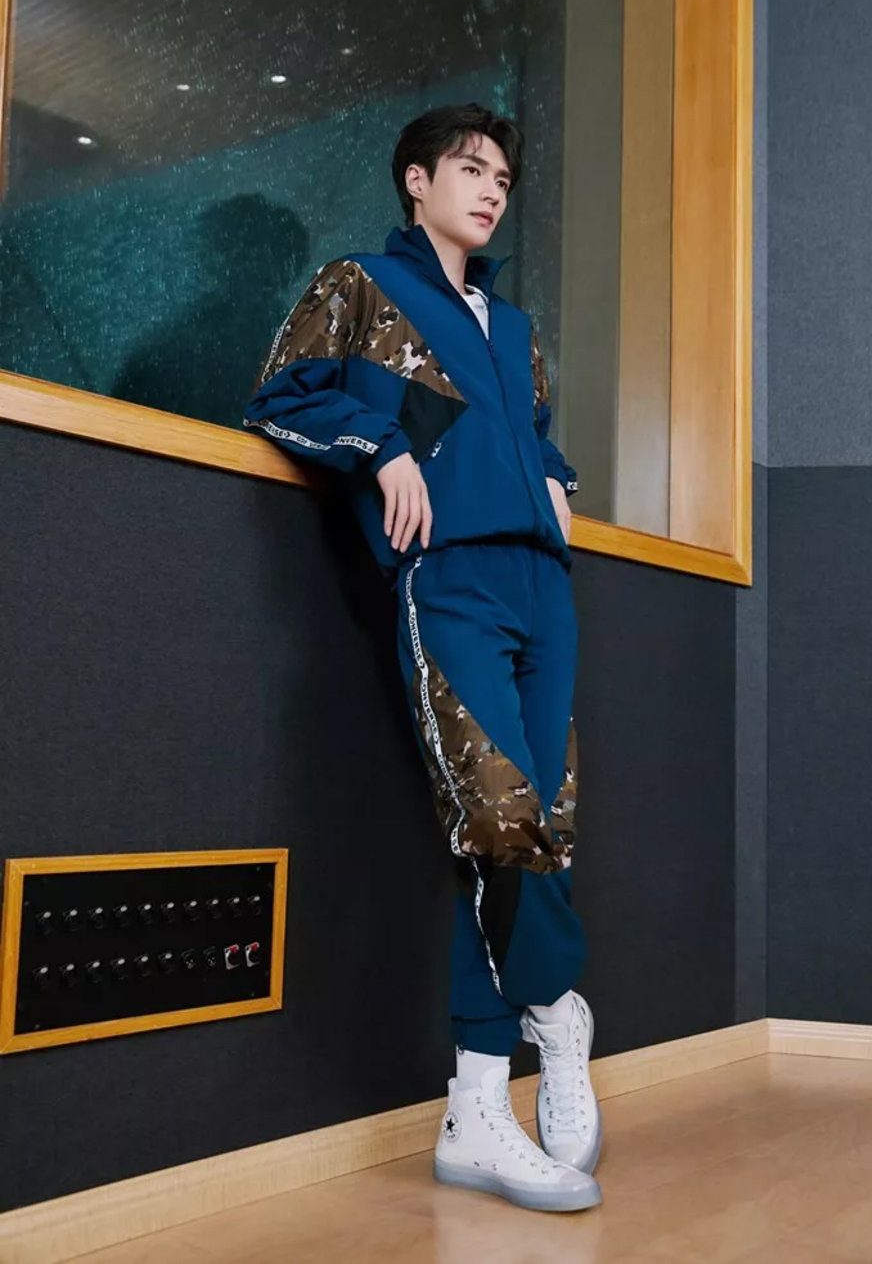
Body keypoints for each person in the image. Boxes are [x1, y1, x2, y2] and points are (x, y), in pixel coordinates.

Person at [243, 101, 603, 1214]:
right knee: (497, 817)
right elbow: (281, 394)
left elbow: (527, 435)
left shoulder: (516, 327)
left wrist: (558, 480)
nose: (491, 189)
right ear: (417, 179)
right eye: (471, 169)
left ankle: (476, 1111)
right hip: (448, 582)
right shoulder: (359, 284)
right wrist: (381, 444)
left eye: (503, 177)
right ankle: (559, 1006)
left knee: (538, 822)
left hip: (544, 590)